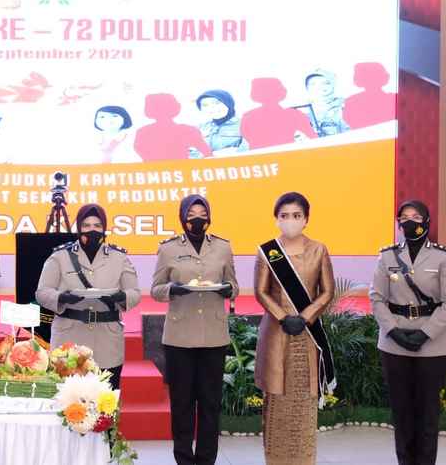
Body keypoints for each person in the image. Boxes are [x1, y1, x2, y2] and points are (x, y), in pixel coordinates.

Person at [369, 200, 446, 465]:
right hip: (394, 344)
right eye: (404, 217)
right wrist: (393, 331)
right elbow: (376, 298)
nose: (409, 221)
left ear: (427, 222)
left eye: (416, 217)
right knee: (402, 413)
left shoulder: (444, 257)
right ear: (398, 223)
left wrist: (425, 333)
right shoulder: (387, 256)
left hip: (433, 345)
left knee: (427, 413)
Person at [152, 195, 238, 465]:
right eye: (192, 214)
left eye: (203, 213)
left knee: (210, 405)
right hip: (179, 338)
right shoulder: (168, 249)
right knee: (182, 405)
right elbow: (155, 289)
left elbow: (233, 285)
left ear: (209, 216)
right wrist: (172, 289)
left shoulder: (223, 247)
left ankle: (206, 460)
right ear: (182, 217)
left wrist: (228, 290)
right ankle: (184, 459)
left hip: (213, 336)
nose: (198, 218)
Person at [253, 192, 336, 465]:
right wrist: (283, 317)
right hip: (277, 333)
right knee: (277, 397)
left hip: (307, 335)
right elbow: (261, 291)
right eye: (285, 215)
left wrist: (305, 317)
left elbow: (327, 291)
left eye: (296, 215)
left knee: (303, 399)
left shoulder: (319, 250)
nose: (290, 220)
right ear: (277, 219)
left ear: (306, 219)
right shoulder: (268, 251)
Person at [36, 204, 140, 391]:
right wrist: (62, 298)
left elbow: (135, 293)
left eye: (97, 225)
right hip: (69, 341)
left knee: (105, 400)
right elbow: (42, 293)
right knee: (67, 399)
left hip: (107, 341)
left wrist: (120, 296)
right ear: (78, 228)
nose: (92, 230)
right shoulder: (60, 256)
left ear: (104, 228)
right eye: (86, 225)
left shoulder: (119, 257)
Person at [241, 78, 317, 150]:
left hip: (260, 157)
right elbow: (313, 137)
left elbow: (248, 138)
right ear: (281, 92)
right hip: (287, 154)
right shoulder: (294, 114)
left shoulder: (247, 117)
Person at [189, 90, 247, 158]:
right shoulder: (200, 128)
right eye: (205, 105)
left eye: (217, 103)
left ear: (228, 103)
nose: (211, 108)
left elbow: (247, 153)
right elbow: (190, 154)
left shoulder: (246, 125)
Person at [294, 70, 349, 138]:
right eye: (313, 84)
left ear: (333, 85)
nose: (319, 87)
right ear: (307, 87)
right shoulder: (301, 111)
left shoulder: (347, 106)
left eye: (325, 83)